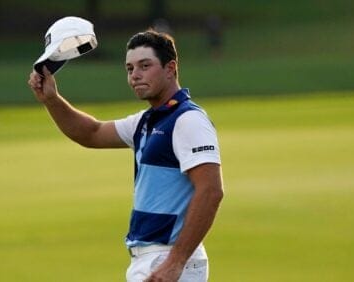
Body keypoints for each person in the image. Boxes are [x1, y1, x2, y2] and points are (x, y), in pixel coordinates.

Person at [27, 29, 224, 282]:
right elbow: (91, 133)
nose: (135, 75)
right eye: (130, 69)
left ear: (170, 68)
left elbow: (211, 191)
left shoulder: (187, 120)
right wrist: (52, 100)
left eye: (145, 66)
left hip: (168, 258)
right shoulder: (146, 121)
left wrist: (175, 262)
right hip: (153, 259)